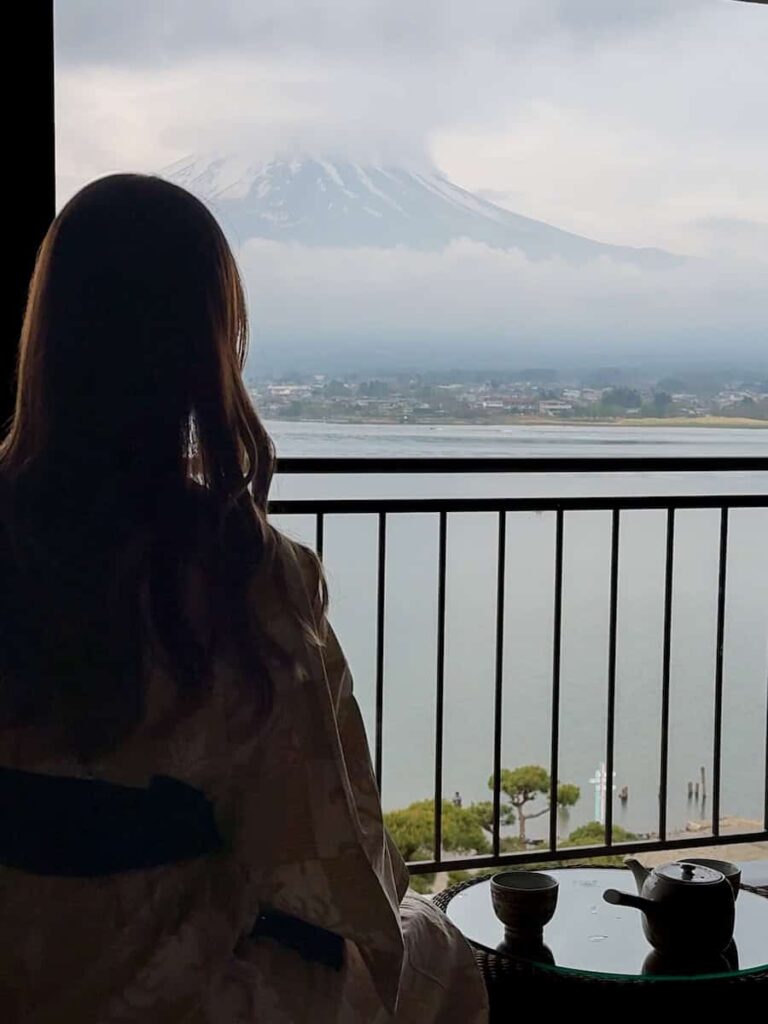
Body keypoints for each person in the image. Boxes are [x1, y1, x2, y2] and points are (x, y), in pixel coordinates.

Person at [0, 175, 488, 1023]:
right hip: (179, 998)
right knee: (437, 952)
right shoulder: (240, 580)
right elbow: (337, 862)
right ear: (206, 346)